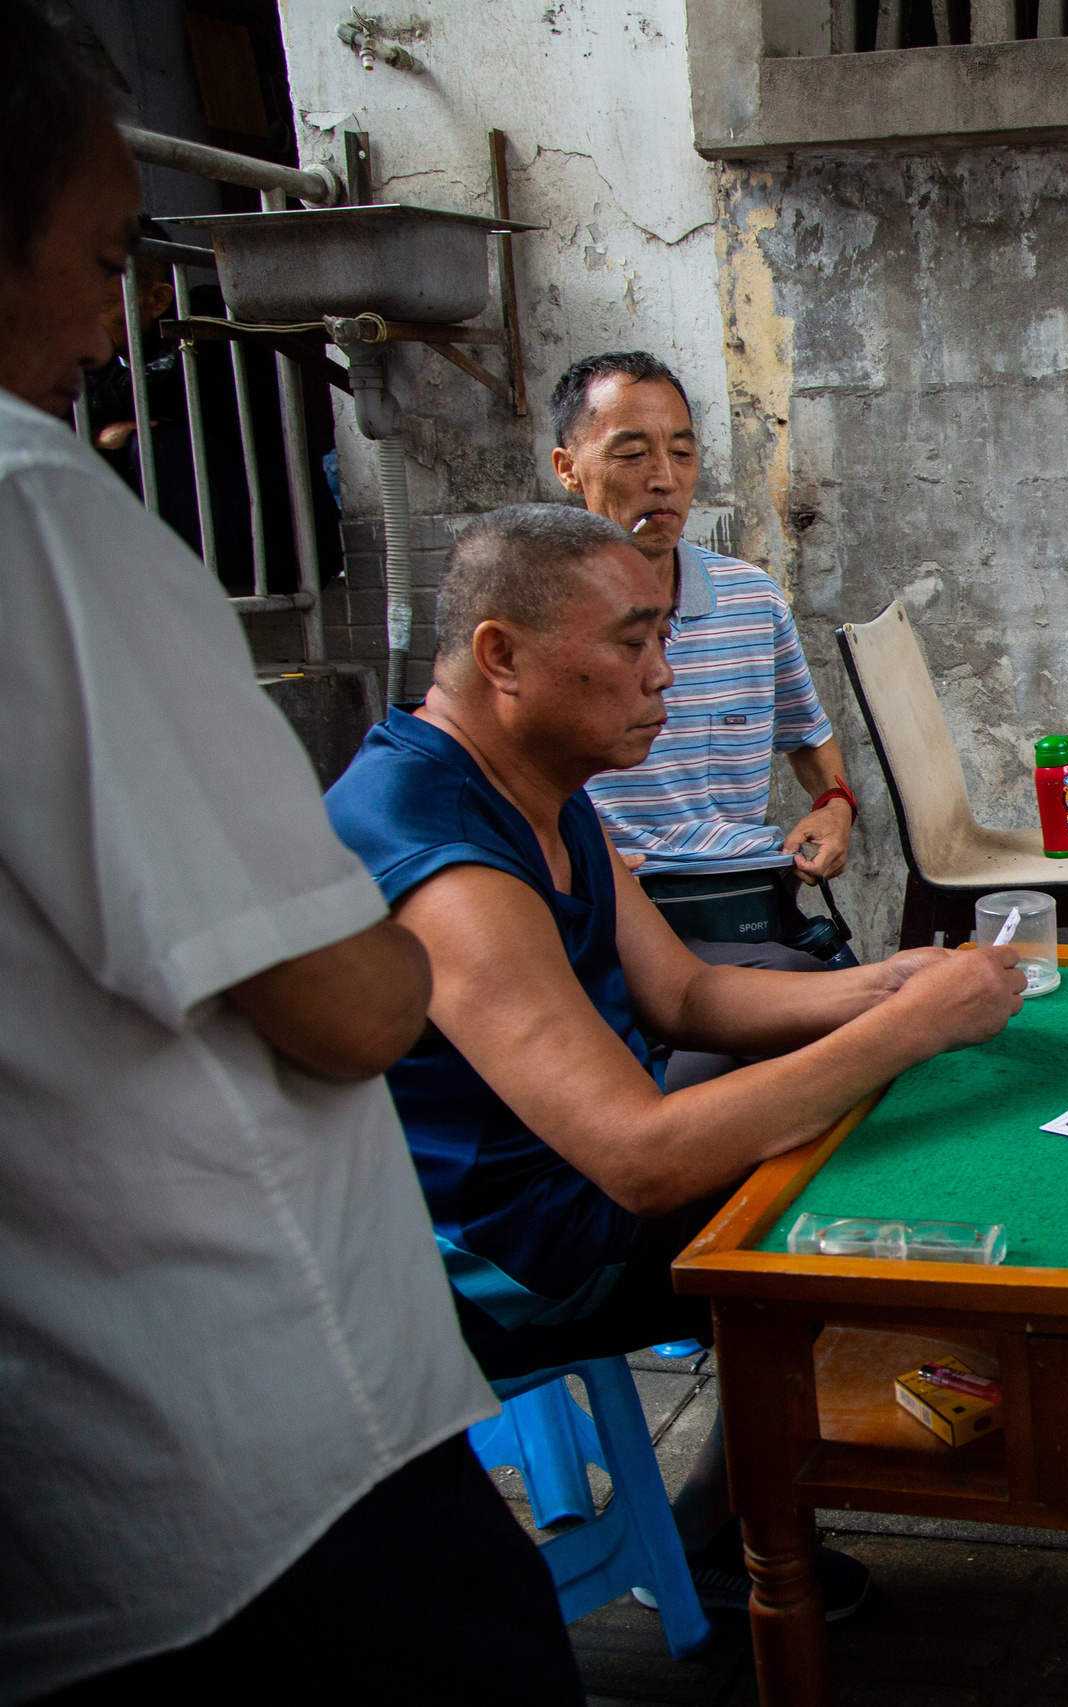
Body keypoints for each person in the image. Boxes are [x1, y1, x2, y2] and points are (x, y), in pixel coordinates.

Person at [0, 18, 578, 1703]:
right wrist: (413, 950)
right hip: (241, 1456)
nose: (128, 321)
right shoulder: (40, 516)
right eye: (109, 257)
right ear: (497, 654)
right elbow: (343, 1004)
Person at [324, 502, 1027, 1615]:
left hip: (574, 1170)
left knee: (849, 1048)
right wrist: (911, 1028)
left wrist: (893, 985)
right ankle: (729, 1528)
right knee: (888, 1180)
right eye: (631, 641)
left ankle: (734, 1500)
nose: (664, 677)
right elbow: (639, 1159)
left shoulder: (537, 786)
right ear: (500, 654)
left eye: (664, 638)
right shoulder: (447, 858)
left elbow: (686, 992)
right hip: (505, 1257)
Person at [550, 351, 860, 1080]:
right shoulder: (543, 621)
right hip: (609, 915)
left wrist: (836, 805)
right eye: (632, 452)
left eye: (682, 452)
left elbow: (811, 740)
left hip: (743, 903)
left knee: (867, 1030)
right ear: (568, 467)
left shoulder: (751, 602)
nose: (664, 477)